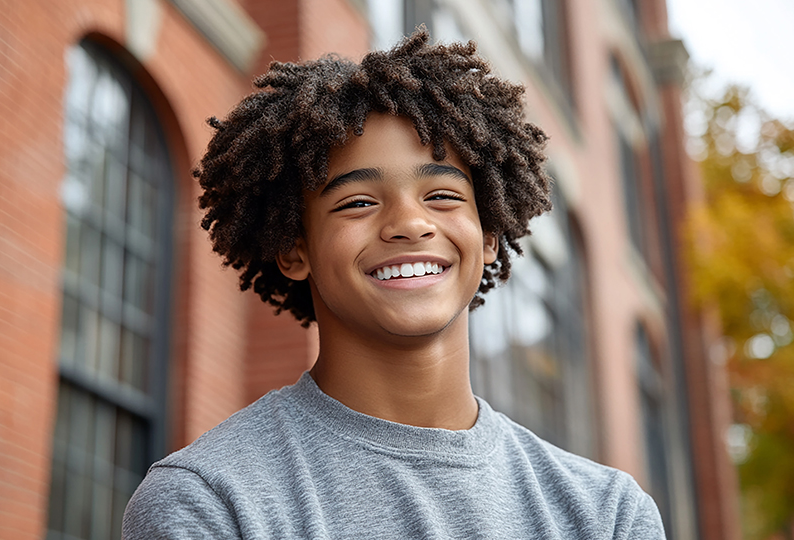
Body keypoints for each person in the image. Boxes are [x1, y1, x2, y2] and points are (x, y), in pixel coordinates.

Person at [122, 28, 666, 539]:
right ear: (294, 249)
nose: (410, 223)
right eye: (357, 203)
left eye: (443, 196)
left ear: (489, 235)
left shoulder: (606, 514)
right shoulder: (209, 500)